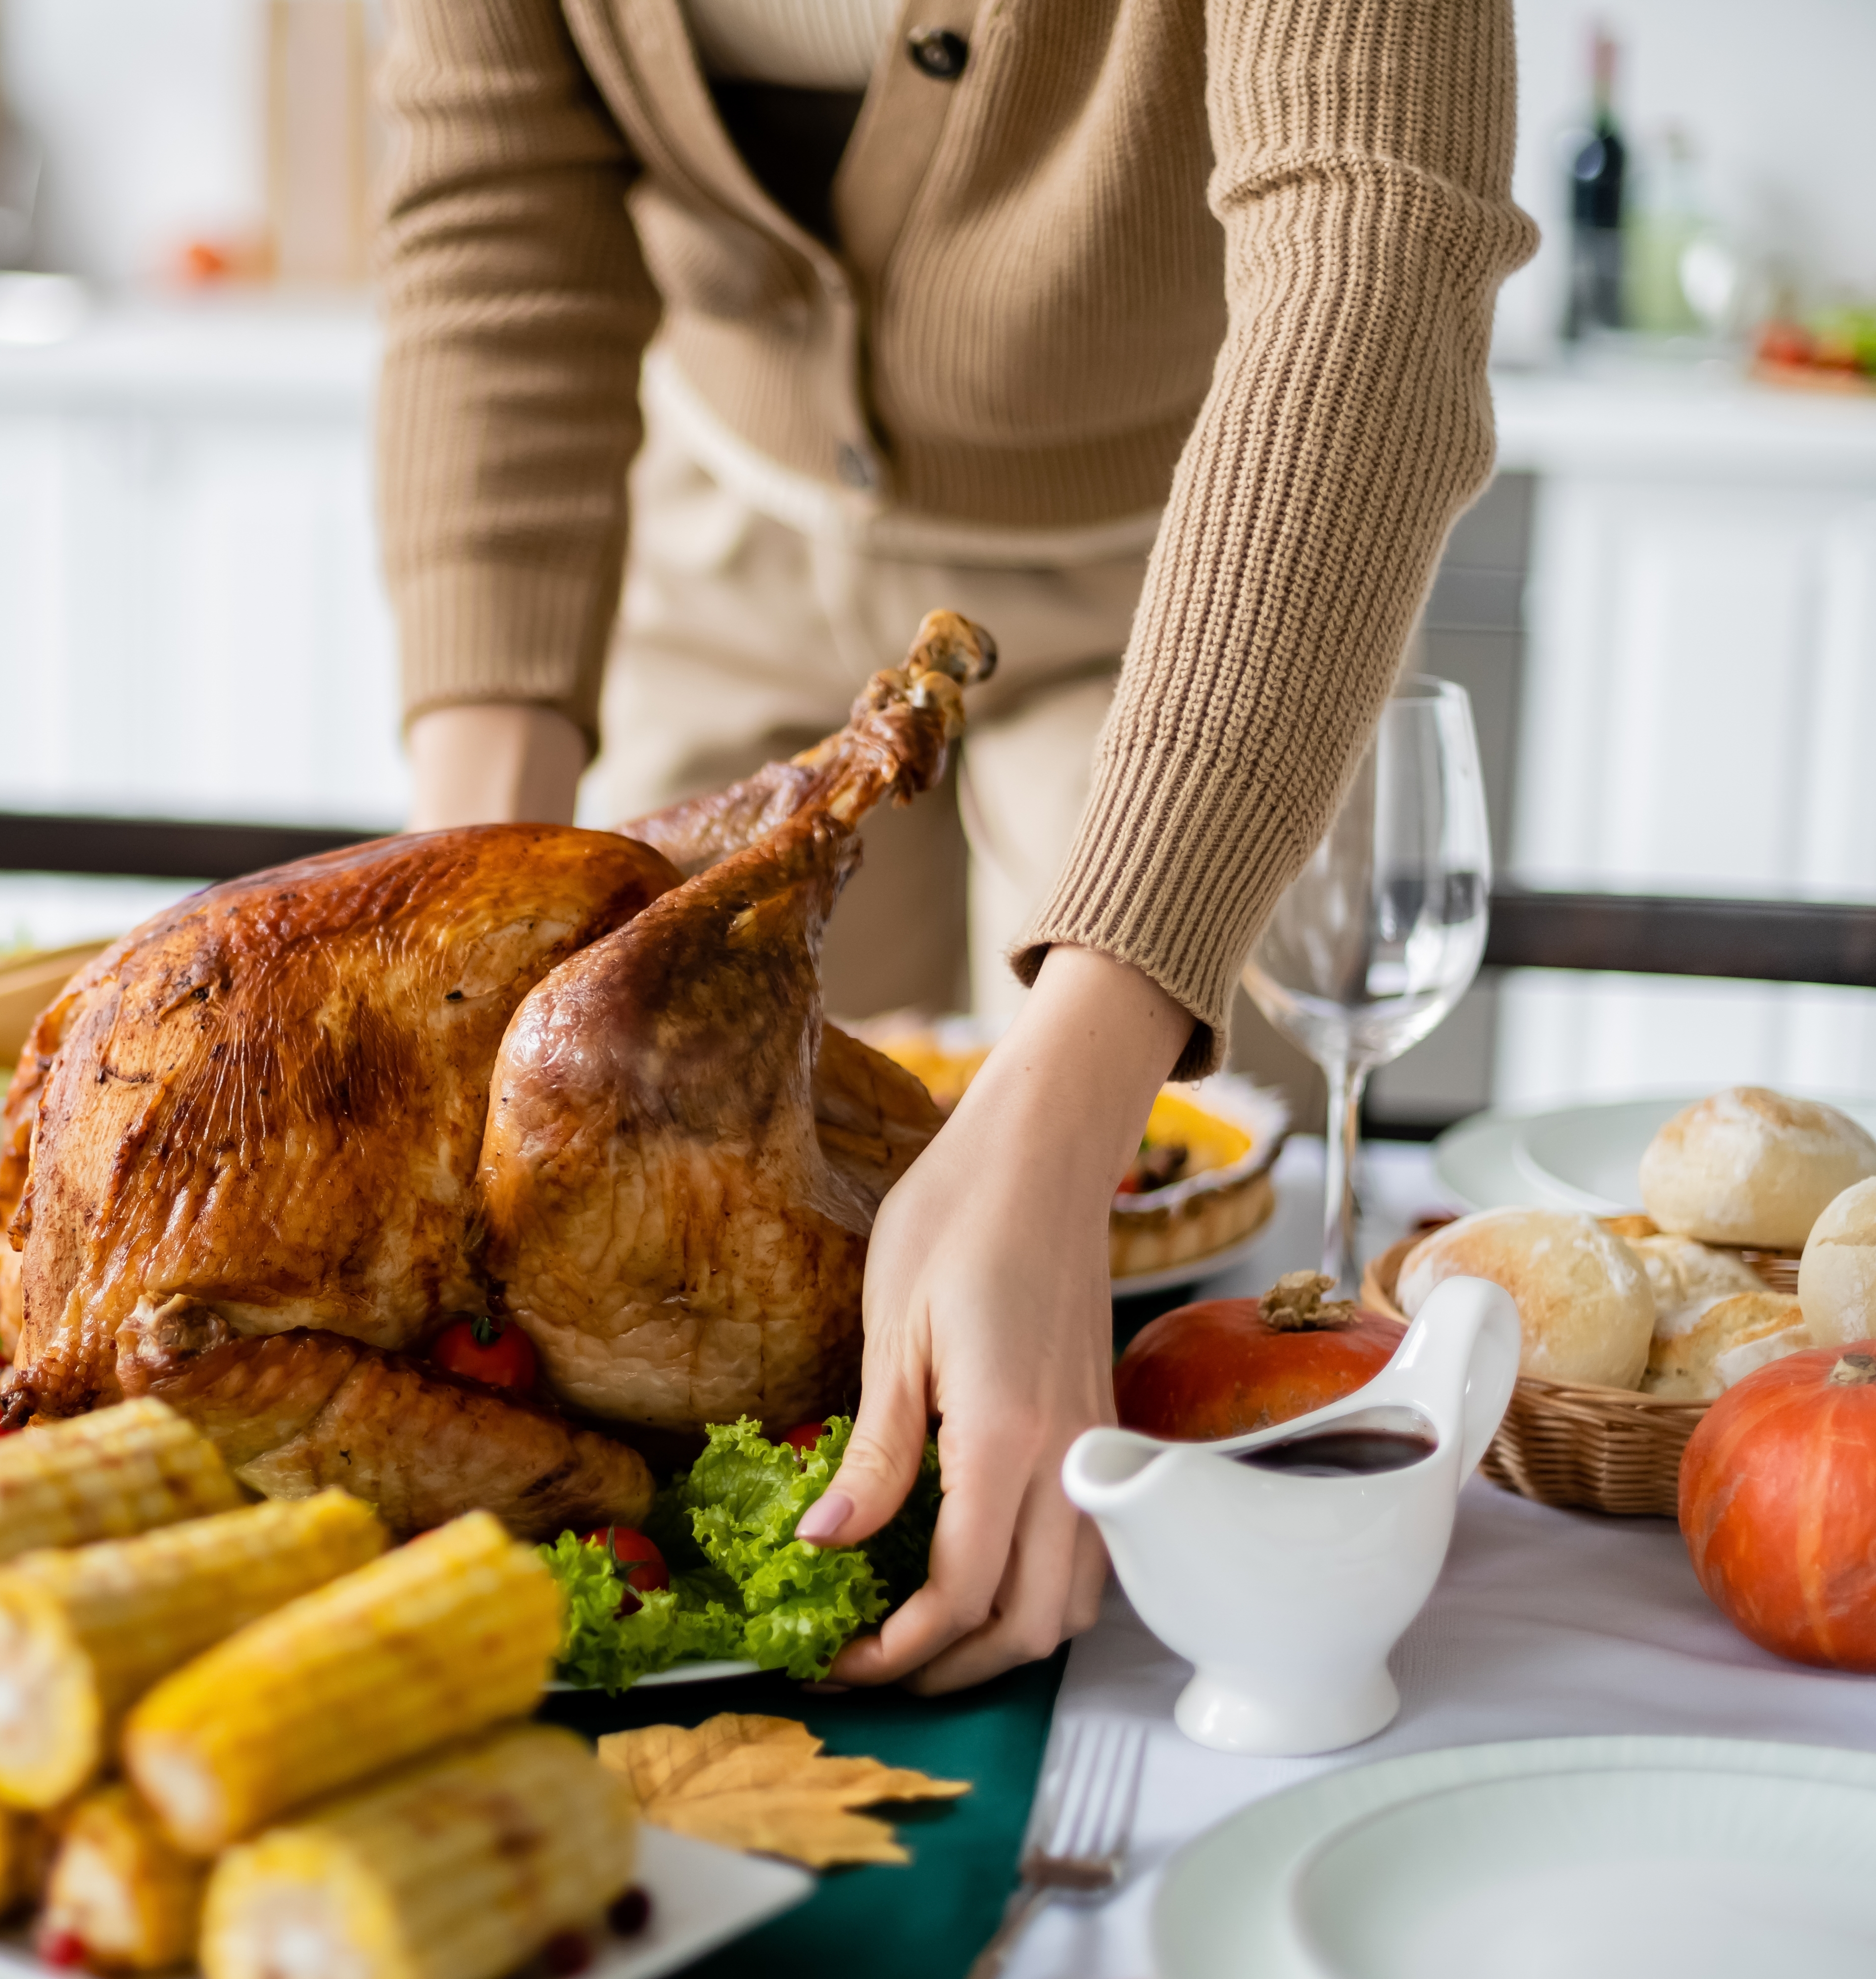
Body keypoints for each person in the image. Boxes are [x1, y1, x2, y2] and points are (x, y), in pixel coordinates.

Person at [376, 0, 1533, 1692]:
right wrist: (462, 943)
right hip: (731, 533)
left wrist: (1058, 1137)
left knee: (1130, 1327)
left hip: (1201, 570)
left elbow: (1373, 252)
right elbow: (499, 228)